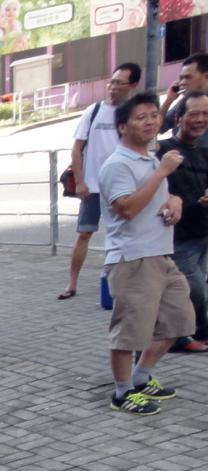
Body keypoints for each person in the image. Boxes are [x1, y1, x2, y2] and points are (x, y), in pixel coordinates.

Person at [99, 90, 192, 415]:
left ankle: (141, 377)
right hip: (133, 258)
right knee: (130, 332)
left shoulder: (150, 159)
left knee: (180, 320)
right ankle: (122, 391)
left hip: (161, 254)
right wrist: (162, 173)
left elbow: (155, 199)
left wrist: (174, 202)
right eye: (141, 117)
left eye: (154, 115)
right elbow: (126, 208)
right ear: (123, 127)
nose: (151, 121)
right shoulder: (118, 165)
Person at [62, 64, 142, 301]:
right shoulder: (94, 111)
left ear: (133, 85)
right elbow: (77, 149)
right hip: (93, 187)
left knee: (125, 234)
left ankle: (124, 282)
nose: (113, 87)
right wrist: (80, 182)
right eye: (112, 82)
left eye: (119, 83)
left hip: (122, 188)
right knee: (84, 234)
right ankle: (72, 283)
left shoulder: (133, 113)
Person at [158, 90, 208, 353]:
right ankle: (181, 336)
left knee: (198, 285)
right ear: (179, 118)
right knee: (194, 287)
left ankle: (194, 333)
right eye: (194, 114)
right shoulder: (163, 150)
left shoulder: (205, 151)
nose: (200, 119)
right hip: (177, 235)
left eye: (205, 114)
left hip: (202, 231)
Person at [163, 55, 208, 132]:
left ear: (206, 77)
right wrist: (168, 101)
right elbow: (158, 127)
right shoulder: (184, 103)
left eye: (188, 77)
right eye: (181, 78)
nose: (182, 83)